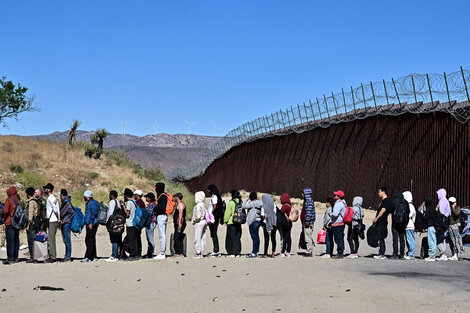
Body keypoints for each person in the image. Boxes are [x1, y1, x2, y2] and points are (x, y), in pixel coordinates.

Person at [373, 187, 393, 260]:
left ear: (383, 192)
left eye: (379, 192)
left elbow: (383, 210)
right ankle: (380, 252)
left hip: (382, 221)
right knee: (379, 236)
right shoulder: (383, 201)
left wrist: (376, 218)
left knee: (381, 237)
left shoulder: (386, 201)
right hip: (380, 221)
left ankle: (382, 253)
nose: (378, 193)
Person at [3, 186, 20, 264]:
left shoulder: (9, 200)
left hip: (9, 222)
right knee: (16, 240)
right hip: (17, 222)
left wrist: (4, 218)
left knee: (10, 241)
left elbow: (5, 211)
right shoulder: (18, 200)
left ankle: (10, 258)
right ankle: (16, 257)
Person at [105, 190, 124, 262]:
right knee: (118, 239)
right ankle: (119, 254)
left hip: (113, 223)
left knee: (113, 239)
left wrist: (107, 221)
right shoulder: (118, 202)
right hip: (119, 223)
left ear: (112, 195)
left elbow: (110, 212)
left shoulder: (112, 202)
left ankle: (114, 255)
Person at [43, 183, 60, 263]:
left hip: (53, 220)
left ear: (49, 189)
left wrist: (58, 218)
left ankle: (53, 257)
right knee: (50, 238)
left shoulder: (51, 198)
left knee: (51, 239)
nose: (45, 190)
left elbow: (55, 209)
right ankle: (51, 255)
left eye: (46, 188)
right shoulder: (50, 197)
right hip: (52, 220)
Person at [243, 191, 262, 258]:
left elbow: (243, 206)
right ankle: (256, 251)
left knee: (254, 237)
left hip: (253, 222)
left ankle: (254, 252)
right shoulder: (259, 202)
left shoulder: (253, 203)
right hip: (258, 221)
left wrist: (246, 199)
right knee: (256, 237)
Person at [81, 190, 99, 262]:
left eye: (84, 196)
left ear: (87, 196)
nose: (84, 197)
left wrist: (90, 223)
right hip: (89, 224)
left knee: (89, 240)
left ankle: (87, 256)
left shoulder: (92, 203)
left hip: (92, 224)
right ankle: (93, 256)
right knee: (91, 240)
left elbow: (93, 213)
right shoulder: (89, 203)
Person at [207, 184, 224, 258]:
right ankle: (216, 250)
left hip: (213, 217)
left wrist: (211, 215)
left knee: (213, 233)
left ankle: (216, 251)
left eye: (209, 189)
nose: (208, 191)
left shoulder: (215, 197)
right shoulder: (216, 196)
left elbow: (214, 207)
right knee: (213, 233)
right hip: (215, 217)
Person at [391, 188, 408, 259]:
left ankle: (395, 254)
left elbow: (391, 210)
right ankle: (402, 254)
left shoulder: (394, 201)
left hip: (396, 222)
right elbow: (408, 212)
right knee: (402, 238)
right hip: (403, 222)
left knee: (395, 238)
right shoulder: (405, 202)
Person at [224, 190, 242, 257]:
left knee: (231, 238)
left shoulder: (231, 202)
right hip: (239, 222)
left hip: (231, 222)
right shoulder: (240, 202)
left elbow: (227, 213)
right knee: (237, 238)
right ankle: (238, 252)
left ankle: (232, 253)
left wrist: (225, 220)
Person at [329, 190, 347, 259]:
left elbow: (335, 214)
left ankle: (340, 253)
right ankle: (340, 252)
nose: (334, 196)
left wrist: (330, 214)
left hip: (337, 223)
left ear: (339, 197)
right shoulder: (343, 203)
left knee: (338, 239)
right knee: (340, 238)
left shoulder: (339, 204)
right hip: (341, 223)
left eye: (336, 195)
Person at [153, 182, 168, 260]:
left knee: (162, 235)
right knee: (162, 234)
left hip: (161, 216)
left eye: (156, 188)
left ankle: (162, 253)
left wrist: (156, 207)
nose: (155, 190)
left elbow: (162, 208)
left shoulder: (162, 197)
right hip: (163, 216)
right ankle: (162, 252)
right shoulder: (163, 196)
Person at [123, 188, 139, 261]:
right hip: (134, 223)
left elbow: (127, 213)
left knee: (130, 240)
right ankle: (135, 254)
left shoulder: (129, 202)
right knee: (133, 239)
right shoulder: (133, 202)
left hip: (130, 224)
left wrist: (123, 206)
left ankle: (132, 255)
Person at [435, 188, 451, 262]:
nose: (437, 195)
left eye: (438, 194)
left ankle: (443, 254)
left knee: (439, 238)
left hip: (440, 223)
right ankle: (443, 254)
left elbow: (440, 212)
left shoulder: (441, 201)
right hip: (445, 223)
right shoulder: (446, 201)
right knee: (443, 238)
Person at [25, 187, 39, 263]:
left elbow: (30, 216)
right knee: (34, 241)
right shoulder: (35, 201)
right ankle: (35, 257)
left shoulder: (31, 202)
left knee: (31, 241)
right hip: (35, 223)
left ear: (27, 194)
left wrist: (28, 225)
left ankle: (32, 257)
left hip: (31, 224)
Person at [59, 189, 74, 262]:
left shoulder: (66, 203)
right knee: (66, 240)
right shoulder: (66, 202)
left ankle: (68, 256)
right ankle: (67, 255)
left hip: (66, 223)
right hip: (65, 222)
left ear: (62, 195)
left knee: (67, 240)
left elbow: (62, 213)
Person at [300, 188, 316, 257]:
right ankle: (308, 250)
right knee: (307, 236)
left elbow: (309, 212)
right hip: (305, 222)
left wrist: (307, 221)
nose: (302, 195)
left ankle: (309, 251)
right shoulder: (306, 201)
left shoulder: (309, 201)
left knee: (308, 237)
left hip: (308, 223)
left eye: (303, 193)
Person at [192, 191, 207, 258]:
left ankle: (198, 252)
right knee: (202, 237)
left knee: (197, 238)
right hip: (204, 221)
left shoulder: (198, 205)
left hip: (199, 222)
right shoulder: (203, 204)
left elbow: (198, 215)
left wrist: (194, 220)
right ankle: (201, 252)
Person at [403, 191, 416, 260]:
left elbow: (409, 215)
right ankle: (409, 252)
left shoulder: (409, 206)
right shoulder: (411, 205)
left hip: (409, 225)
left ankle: (411, 254)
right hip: (410, 225)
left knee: (410, 240)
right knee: (409, 240)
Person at [279, 193, 293, 257]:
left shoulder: (285, 206)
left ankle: (282, 252)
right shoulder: (290, 205)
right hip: (290, 223)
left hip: (285, 223)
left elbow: (281, 213)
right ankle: (288, 251)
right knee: (289, 237)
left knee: (284, 237)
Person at [424, 196, 437, 261]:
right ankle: (432, 255)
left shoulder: (429, 209)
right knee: (433, 241)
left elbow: (426, 218)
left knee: (431, 241)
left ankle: (432, 256)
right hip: (434, 226)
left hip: (430, 226)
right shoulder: (433, 208)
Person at [144, 192, 157, 258]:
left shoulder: (151, 205)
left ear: (149, 198)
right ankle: (149, 253)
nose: (145, 198)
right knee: (149, 238)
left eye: (146, 197)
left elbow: (150, 213)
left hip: (151, 223)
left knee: (150, 238)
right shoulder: (151, 204)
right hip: (150, 223)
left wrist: (145, 208)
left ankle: (151, 253)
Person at [133, 190, 145, 258]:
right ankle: (138, 252)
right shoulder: (141, 202)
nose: (134, 195)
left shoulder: (138, 202)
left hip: (137, 223)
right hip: (139, 223)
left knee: (136, 238)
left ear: (137, 195)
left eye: (135, 194)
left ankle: (137, 253)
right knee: (137, 237)